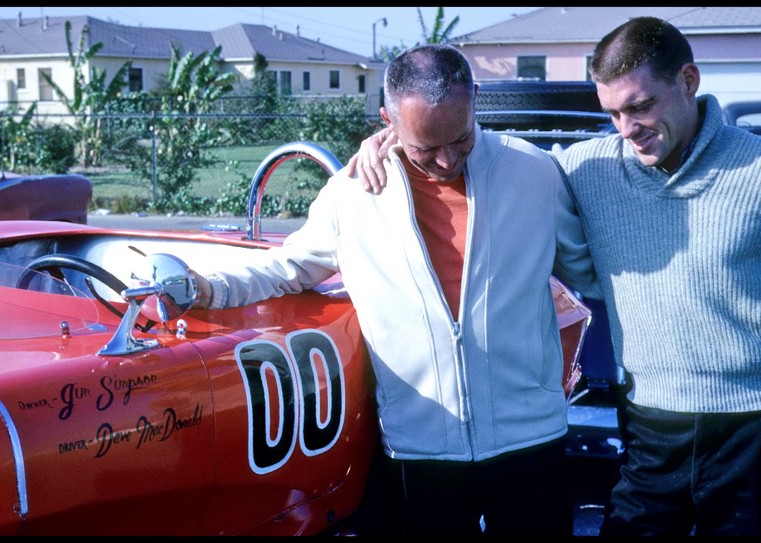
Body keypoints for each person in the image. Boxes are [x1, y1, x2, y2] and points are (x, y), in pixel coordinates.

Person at [348, 17, 761, 537]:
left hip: (754, 430)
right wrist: (388, 143)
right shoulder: (584, 168)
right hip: (647, 426)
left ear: (688, 82)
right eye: (611, 112)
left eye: (640, 106)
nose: (626, 128)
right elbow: (452, 144)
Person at [191, 44, 598, 536]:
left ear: (475, 102)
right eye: (426, 147)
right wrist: (207, 288)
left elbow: (587, 269)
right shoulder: (353, 194)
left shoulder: (533, 172)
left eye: (461, 138)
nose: (447, 160)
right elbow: (290, 265)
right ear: (387, 121)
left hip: (531, 437)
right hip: (420, 445)